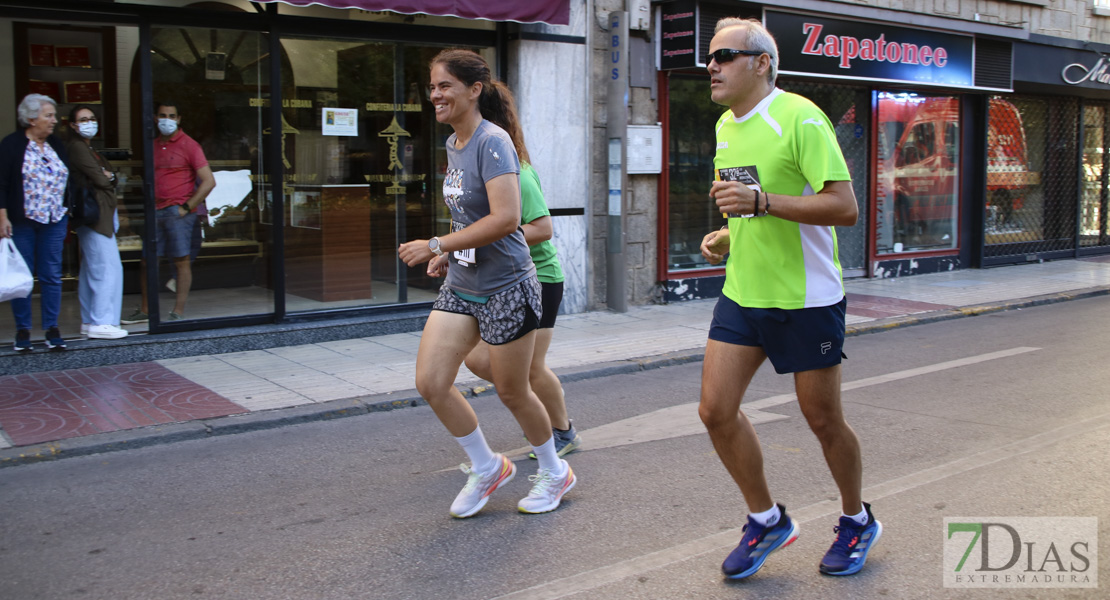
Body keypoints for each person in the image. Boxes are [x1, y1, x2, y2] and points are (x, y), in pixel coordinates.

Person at [697, 18, 880, 579]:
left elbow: (843, 207)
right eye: (710, 58)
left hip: (807, 297)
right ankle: (767, 519)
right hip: (744, 293)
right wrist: (729, 235)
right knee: (714, 410)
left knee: (822, 420)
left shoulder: (801, 117)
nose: (712, 66)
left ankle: (857, 520)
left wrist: (760, 204)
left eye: (725, 56)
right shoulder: (727, 127)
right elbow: (753, 207)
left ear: (762, 63)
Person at [398, 49, 576, 518]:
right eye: (432, 86)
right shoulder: (454, 143)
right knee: (431, 382)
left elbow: (508, 219)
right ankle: (486, 465)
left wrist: (436, 244)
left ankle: (556, 471)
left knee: (513, 390)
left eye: (445, 86)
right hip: (462, 284)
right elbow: (469, 215)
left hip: (506, 286)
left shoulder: (492, 142)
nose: (435, 95)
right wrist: (453, 252)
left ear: (473, 90)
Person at [462, 154, 581, 459]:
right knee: (477, 359)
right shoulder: (476, 174)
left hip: (539, 279)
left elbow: (542, 229)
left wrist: (488, 240)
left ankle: (563, 431)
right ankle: (541, 402)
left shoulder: (520, 175)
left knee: (531, 367)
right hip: (497, 280)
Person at [122, 101, 215, 324]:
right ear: (155, 118)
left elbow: (209, 181)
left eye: (172, 116)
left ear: (178, 119)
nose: (167, 120)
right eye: (163, 115)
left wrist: (186, 207)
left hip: (178, 212)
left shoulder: (190, 145)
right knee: (147, 261)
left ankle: (178, 312)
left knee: (181, 261)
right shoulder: (152, 145)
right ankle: (146, 310)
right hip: (155, 210)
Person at [0, 94, 71, 352]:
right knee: (23, 277)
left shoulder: (55, 143)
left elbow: (66, 176)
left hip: (54, 219)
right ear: (31, 119)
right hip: (23, 222)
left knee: (52, 275)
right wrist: (2, 216)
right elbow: (2, 183)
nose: (54, 121)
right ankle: (23, 330)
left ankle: (52, 328)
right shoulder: (11, 145)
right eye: (48, 115)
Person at [66, 105, 128, 340]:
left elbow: (110, 175)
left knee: (93, 268)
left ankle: (90, 319)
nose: (89, 122)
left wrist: (108, 176)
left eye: (92, 118)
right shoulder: (77, 147)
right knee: (106, 268)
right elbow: (101, 178)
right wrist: (107, 176)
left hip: (98, 216)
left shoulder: (90, 149)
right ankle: (102, 321)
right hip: (94, 216)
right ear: (73, 125)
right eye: (83, 119)